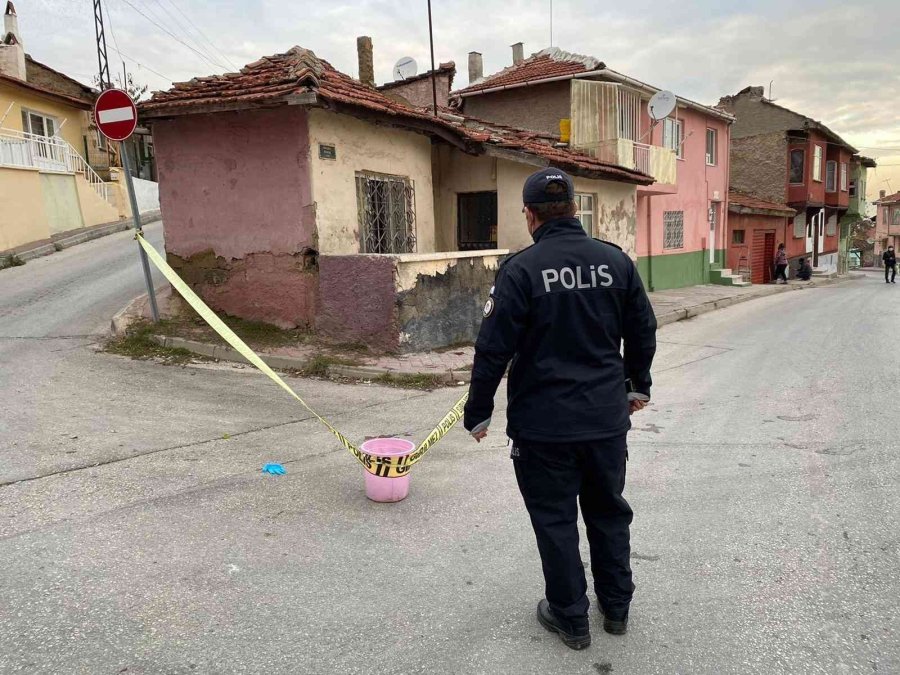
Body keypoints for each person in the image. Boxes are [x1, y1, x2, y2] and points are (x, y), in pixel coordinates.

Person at [463, 167, 657, 650]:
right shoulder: (616, 262)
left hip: (544, 427)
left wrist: (479, 410)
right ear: (574, 209)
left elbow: (493, 347)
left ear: (530, 215)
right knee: (608, 512)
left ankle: (571, 617)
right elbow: (643, 330)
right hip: (604, 420)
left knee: (554, 520)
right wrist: (638, 384)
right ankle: (616, 607)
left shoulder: (522, 269)